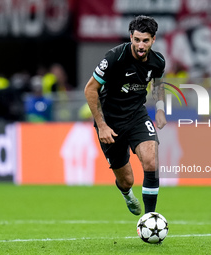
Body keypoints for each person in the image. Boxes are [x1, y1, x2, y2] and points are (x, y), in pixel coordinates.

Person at [84, 15, 166, 215]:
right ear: (131, 37)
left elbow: (157, 84)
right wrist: (101, 126)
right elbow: (90, 89)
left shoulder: (158, 61)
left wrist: (161, 109)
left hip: (137, 117)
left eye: (145, 40)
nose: (140, 45)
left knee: (151, 160)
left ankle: (149, 217)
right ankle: (127, 195)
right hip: (111, 124)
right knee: (127, 179)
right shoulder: (115, 57)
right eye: (136, 39)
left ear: (153, 40)